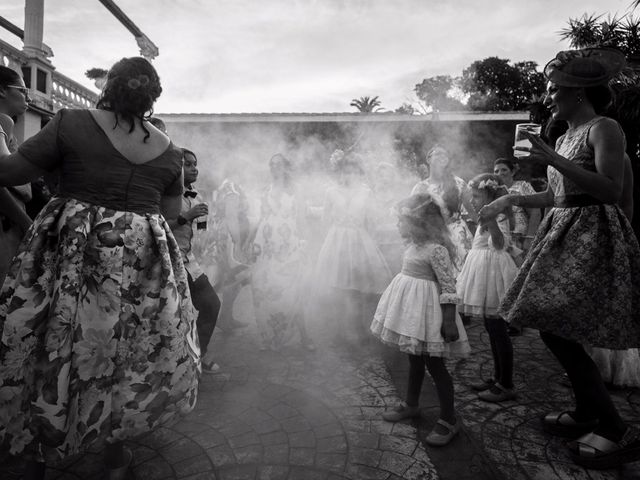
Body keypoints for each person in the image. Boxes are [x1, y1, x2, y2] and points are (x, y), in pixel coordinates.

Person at [0, 57, 200, 480]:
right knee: (124, 353)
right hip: (139, 273)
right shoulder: (171, 153)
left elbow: (8, 171)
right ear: (151, 97)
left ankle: (35, 447)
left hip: (72, 261)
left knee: (50, 341)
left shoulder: (71, 123)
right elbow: (166, 212)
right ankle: (114, 458)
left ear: (110, 87)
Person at [480, 47, 640, 470]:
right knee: (556, 328)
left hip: (591, 237)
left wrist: (550, 158)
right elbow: (557, 196)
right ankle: (587, 413)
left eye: (554, 90)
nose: (548, 97)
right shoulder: (565, 135)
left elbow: (608, 189)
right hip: (564, 232)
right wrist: (511, 197)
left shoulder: (604, 128)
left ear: (579, 93)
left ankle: (615, 428)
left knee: (557, 330)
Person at [371, 193, 469, 446]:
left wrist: (448, 322)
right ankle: (412, 404)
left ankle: (449, 419)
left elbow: (448, 287)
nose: (397, 225)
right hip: (411, 316)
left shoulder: (436, 250)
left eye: (401, 220)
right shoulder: (412, 246)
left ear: (419, 222)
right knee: (414, 361)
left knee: (436, 367)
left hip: (429, 316)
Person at [314, 150, 392, 342]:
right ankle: (338, 329)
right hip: (336, 240)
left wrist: (370, 243)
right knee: (337, 286)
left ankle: (358, 327)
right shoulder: (330, 192)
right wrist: (326, 243)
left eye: (352, 171)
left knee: (358, 287)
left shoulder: (366, 192)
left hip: (359, 240)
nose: (348, 175)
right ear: (339, 172)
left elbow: (372, 220)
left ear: (358, 172)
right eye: (344, 171)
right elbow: (325, 220)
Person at [457, 174, 518, 402]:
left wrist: (491, 220)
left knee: (498, 330)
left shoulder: (499, 215)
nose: (472, 200)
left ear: (489, 195)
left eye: (476, 195)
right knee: (491, 329)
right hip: (481, 271)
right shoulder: (485, 215)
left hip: (493, 273)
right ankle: (497, 377)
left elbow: (501, 244)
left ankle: (507, 384)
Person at [251, 154, 315, 351]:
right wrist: (251, 244)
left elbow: (302, 220)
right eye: (272, 164)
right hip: (267, 246)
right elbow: (261, 218)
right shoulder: (265, 191)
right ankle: (271, 336)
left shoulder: (296, 192)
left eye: (278, 164)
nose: (274, 168)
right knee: (266, 291)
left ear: (286, 168)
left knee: (293, 291)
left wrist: (306, 244)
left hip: (289, 246)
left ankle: (304, 336)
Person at [167, 148, 221, 373]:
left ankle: (199, 353)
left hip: (190, 262)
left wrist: (204, 226)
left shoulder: (196, 196)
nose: (194, 168)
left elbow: (200, 231)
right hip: (168, 263)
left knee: (211, 304)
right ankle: (174, 363)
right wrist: (186, 217)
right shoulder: (166, 195)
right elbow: (157, 226)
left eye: (195, 164)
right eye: (187, 164)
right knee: (174, 315)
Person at [411, 145, 476, 272]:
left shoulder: (458, 183)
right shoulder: (420, 187)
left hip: (459, 236)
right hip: (433, 237)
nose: (442, 157)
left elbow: (474, 212)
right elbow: (414, 217)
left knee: (463, 274)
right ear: (428, 159)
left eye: (445, 155)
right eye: (438, 154)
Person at [0, 66, 33, 284]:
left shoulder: (5, 125)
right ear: (2, 90)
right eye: (22, 90)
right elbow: (0, 175)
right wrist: (29, 225)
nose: (27, 97)